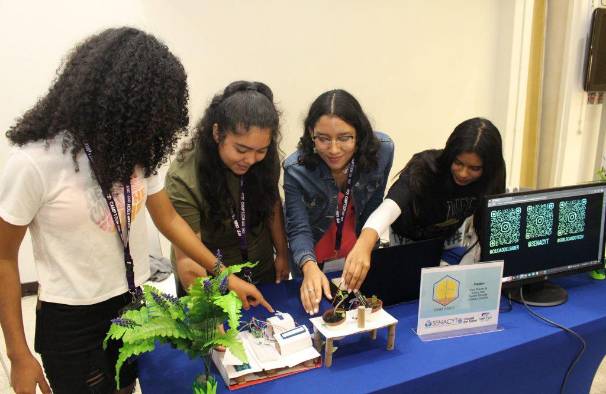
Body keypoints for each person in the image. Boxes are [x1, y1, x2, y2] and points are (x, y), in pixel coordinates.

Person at [0, 28, 271, 394]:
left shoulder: (138, 149)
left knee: (125, 388)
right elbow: (3, 257)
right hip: (74, 319)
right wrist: (18, 353)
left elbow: (169, 219)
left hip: (131, 301)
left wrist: (223, 276)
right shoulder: (35, 162)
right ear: (111, 100)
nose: (155, 125)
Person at [342, 117, 506, 292]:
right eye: (458, 163)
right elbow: (390, 206)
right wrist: (364, 244)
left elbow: (490, 221)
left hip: (447, 237)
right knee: (406, 290)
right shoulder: (425, 167)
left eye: (474, 168)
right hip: (408, 238)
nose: (464, 174)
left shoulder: (493, 174)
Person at [166, 81, 289, 297]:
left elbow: (272, 204)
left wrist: (282, 253)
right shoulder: (184, 177)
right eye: (241, 149)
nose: (250, 159)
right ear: (217, 133)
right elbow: (188, 260)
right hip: (209, 282)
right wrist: (209, 309)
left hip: (261, 272)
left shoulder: (265, 160)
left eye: (261, 150)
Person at [283, 89, 394, 315]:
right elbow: (298, 228)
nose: (334, 149)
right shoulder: (296, 168)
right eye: (323, 139)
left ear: (359, 134)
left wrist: (366, 246)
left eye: (344, 138)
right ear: (311, 134)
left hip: (356, 254)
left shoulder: (382, 150)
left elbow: (374, 204)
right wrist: (308, 266)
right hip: (313, 260)